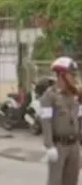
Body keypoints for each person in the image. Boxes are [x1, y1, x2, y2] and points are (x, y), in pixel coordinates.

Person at [40, 56, 81, 185]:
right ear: (62, 75)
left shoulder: (74, 96)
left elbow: (79, 119)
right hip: (59, 146)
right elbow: (46, 122)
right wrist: (49, 145)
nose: (74, 77)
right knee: (55, 181)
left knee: (72, 181)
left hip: (74, 145)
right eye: (71, 74)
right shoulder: (49, 96)